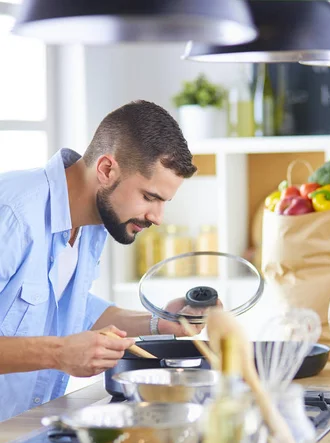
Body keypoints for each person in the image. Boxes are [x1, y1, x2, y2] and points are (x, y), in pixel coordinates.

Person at [0, 100, 200, 420]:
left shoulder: (94, 224)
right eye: (150, 197)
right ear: (107, 169)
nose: (158, 218)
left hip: (19, 430)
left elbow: (71, 308)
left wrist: (160, 322)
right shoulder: (13, 214)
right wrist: (59, 354)